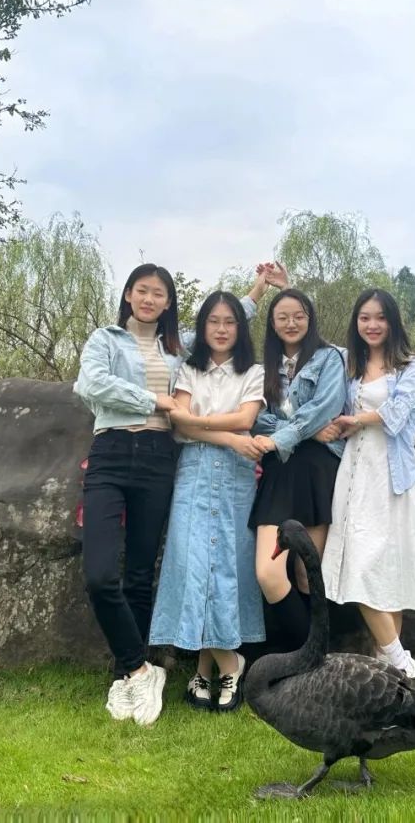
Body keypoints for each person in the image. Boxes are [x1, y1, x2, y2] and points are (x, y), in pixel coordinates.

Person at [73, 261, 285, 726]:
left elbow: (222, 323)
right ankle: (138, 669)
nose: (149, 299)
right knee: (101, 574)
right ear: (128, 294)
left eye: (158, 293)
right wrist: (153, 400)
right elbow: (90, 385)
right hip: (112, 450)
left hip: (157, 458)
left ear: (168, 302)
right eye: (141, 290)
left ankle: (127, 674)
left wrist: (258, 290)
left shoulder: (177, 347)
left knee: (140, 573)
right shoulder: (106, 339)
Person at [147, 291, 266, 712]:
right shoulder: (189, 368)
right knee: (193, 564)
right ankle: (229, 663)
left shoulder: (253, 371)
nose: (221, 329)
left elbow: (245, 419)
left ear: (240, 328)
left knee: (226, 565)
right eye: (213, 321)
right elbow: (179, 425)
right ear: (202, 327)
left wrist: (199, 422)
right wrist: (229, 437)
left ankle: (206, 668)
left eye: (230, 322)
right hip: (195, 472)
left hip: (234, 478)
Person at [318, 288, 415, 682]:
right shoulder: (348, 363)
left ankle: (391, 668)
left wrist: (355, 420)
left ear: (393, 322)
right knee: (358, 564)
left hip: (392, 476)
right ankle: (401, 663)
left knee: (387, 570)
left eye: (380, 317)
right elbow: (309, 334)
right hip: (354, 475)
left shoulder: (413, 367)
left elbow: (397, 414)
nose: (372, 325)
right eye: (364, 317)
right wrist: (285, 290)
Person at [247, 289, 347, 651]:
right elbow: (256, 419)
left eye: (299, 316)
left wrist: (285, 434)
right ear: (272, 324)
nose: (291, 323)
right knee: (268, 573)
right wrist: (306, 432)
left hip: (317, 470)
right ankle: (312, 656)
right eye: (283, 317)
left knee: (308, 574)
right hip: (280, 470)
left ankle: (310, 665)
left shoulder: (330, 358)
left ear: (310, 319)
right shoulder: (262, 369)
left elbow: (327, 406)